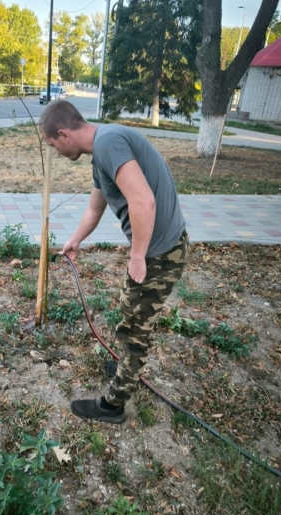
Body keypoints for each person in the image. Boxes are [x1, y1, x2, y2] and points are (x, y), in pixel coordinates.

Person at [38, 100, 189, 424]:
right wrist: (75, 239)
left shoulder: (108, 144)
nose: (57, 152)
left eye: (53, 145)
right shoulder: (103, 149)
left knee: (135, 328)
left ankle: (114, 404)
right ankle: (126, 368)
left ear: (64, 134)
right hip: (158, 249)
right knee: (128, 314)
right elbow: (95, 209)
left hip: (160, 254)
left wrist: (137, 257)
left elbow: (143, 201)